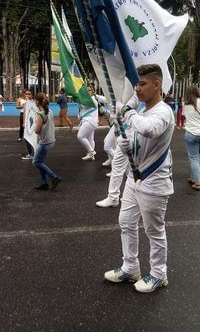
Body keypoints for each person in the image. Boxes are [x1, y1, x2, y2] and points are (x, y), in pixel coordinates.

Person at [104, 64, 175, 293]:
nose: (137, 89)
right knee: (125, 222)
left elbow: (149, 130)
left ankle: (158, 274)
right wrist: (125, 146)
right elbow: (137, 142)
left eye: (142, 84)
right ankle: (130, 267)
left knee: (154, 230)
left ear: (157, 84)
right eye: (137, 83)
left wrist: (126, 111)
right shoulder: (143, 111)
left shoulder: (163, 112)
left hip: (154, 180)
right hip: (134, 179)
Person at [33, 93, 61, 190]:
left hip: (44, 142)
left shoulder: (40, 114)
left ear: (37, 102)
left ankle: (54, 177)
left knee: (36, 162)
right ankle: (44, 183)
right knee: (40, 161)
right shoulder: (49, 111)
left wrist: (33, 124)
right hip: (50, 140)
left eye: (35, 100)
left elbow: (36, 130)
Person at [183, 85, 200, 191]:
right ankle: (194, 177)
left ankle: (197, 182)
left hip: (191, 134)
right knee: (198, 157)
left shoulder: (185, 105)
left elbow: (185, 117)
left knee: (194, 158)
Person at [77, 92, 98, 161]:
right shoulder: (84, 101)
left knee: (80, 136)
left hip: (89, 121)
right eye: (87, 90)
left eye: (89, 90)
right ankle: (91, 155)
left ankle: (91, 152)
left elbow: (92, 103)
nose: (88, 91)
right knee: (90, 139)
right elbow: (82, 112)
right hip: (91, 122)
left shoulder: (92, 100)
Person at [22, 89, 35, 160]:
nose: (27, 95)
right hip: (27, 124)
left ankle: (33, 153)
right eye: (26, 94)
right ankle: (31, 153)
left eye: (29, 94)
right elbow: (24, 114)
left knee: (33, 138)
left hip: (33, 123)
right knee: (26, 138)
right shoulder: (25, 103)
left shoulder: (34, 103)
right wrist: (24, 122)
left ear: (32, 95)